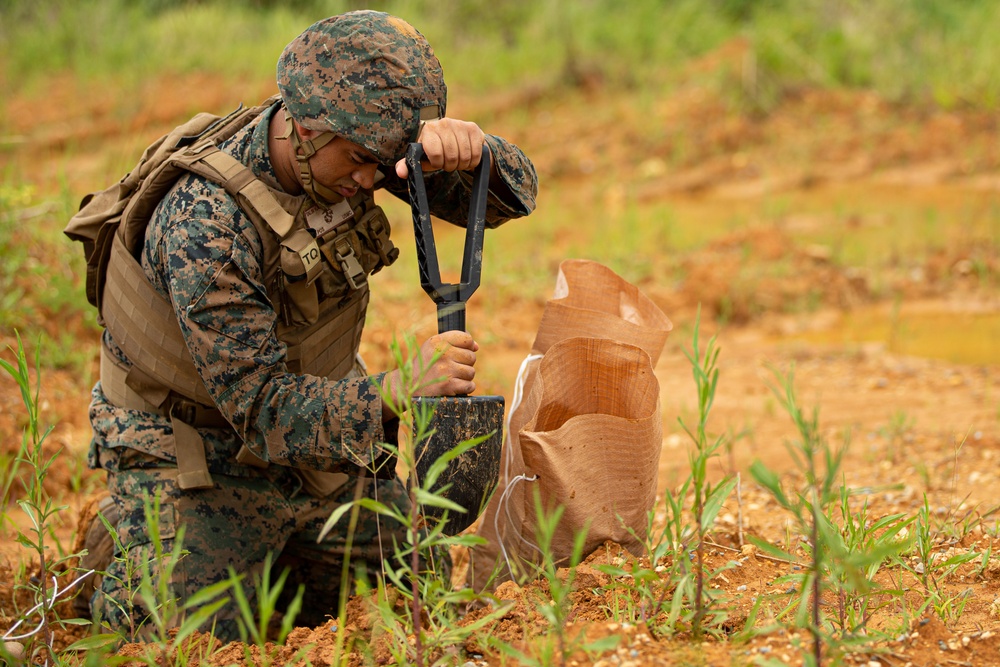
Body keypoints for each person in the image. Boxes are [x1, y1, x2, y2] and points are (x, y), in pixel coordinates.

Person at [79, 10, 537, 640]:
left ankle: (280, 557)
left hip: (317, 442)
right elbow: (261, 409)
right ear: (303, 128)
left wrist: (473, 152)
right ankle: (125, 546)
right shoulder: (204, 224)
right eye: (359, 161)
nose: (370, 182)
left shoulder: (357, 150)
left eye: (387, 163)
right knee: (193, 642)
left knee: (418, 595)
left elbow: (515, 198)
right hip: (197, 452)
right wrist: (397, 390)